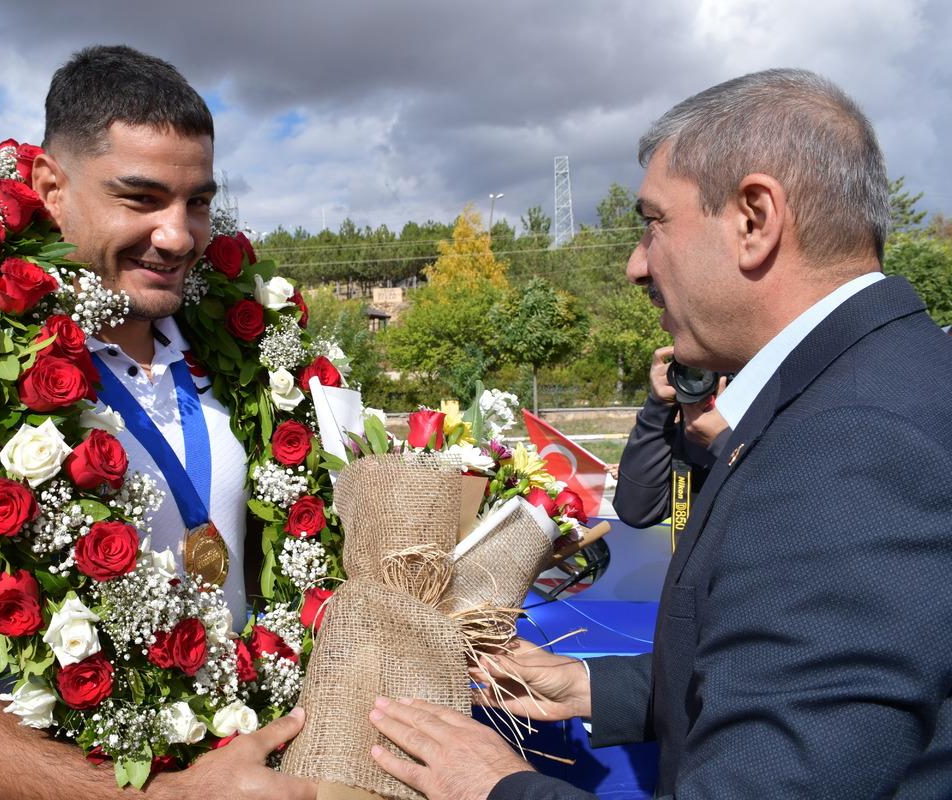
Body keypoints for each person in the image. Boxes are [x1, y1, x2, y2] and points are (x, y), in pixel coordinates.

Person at [370, 68, 952, 799]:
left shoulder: (849, 443)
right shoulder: (886, 379)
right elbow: (821, 692)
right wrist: (591, 687)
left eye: (653, 223)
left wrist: (494, 786)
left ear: (754, 219)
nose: (635, 263)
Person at [0, 46, 313, 800]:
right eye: (141, 197)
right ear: (50, 189)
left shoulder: (249, 362)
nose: (179, 235)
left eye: (197, 202)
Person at [612, 344, 730, 530]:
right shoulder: (691, 432)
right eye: (695, 374)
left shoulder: (778, 419)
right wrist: (659, 406)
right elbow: (636, 512)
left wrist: (723, 442)